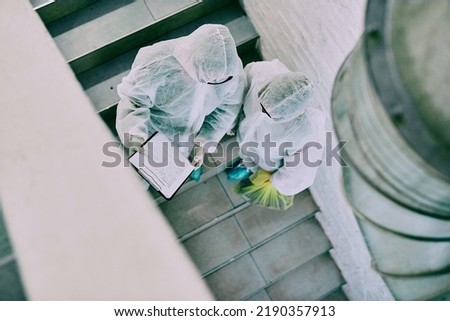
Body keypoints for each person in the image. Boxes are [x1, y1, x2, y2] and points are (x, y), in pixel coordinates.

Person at [116, 24, 245, 180]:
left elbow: (226, 109)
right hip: (151, 133)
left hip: (189, 138)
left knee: (175, 171)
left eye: (216, 82)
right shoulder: (156, 63)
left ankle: (186, 169)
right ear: (189, 61)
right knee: (143, 176)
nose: (210, 84)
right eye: (204, 79)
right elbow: (133, 101)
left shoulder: (229, 71)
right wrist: (135, 137)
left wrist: (203, 143)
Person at [227, 59, 326, 210]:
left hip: (268, 159)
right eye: (263, 107)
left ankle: (249, 168)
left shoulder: (308, 132)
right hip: (247, 134)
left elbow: (299, 173)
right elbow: (240, 87)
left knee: (257, 163)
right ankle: (246, 163)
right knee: (246, 150)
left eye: (271, 115)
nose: (263, 113)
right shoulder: (261, 71)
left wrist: (274, 181)